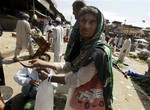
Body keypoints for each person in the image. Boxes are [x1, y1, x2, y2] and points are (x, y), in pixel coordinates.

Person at [20, 6, 114, 110]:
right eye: (83, 20)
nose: (86, 26)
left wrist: (49, 78)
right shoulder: (84, 44)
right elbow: (70, 65)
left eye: (92, 22)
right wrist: (42, 63)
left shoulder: (98, 52)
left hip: (89, 100)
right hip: (78, 94)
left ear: (98, 25)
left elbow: (78, 79)